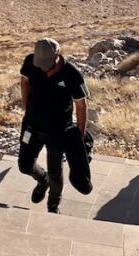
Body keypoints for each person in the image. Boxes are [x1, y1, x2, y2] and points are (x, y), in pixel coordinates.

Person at [18, 38, 92, 215]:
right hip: (32, 126)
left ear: (57, 56)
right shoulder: (30, 62)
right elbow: (24, 80)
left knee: (55, 174)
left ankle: (53, 205)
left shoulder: (71, 74)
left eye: (47, 64)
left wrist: (79, 136)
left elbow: (81, 105)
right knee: (24, 165)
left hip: (58, 132)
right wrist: (26, 104)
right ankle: (42, 180)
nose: (44, 68)